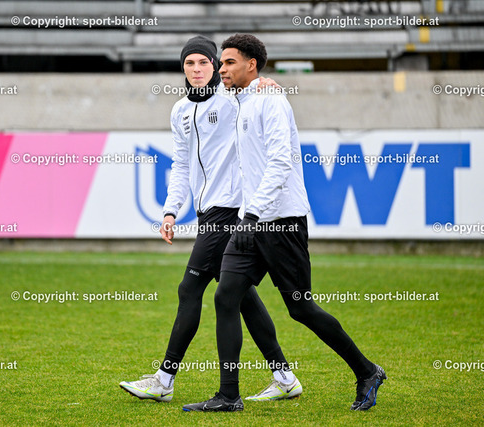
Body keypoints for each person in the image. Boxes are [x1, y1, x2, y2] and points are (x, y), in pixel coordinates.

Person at [182, 34, 386, 413]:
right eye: (220, 63)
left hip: (281, 223)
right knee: (226, 297)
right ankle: (228, 395)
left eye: (228, 62)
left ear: (251, 65)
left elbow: (280, 163)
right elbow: (203, 93)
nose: (220, 69)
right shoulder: (238, 97)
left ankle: (367, 370)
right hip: (251, 222)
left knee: (301, 308)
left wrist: (253, 214)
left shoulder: (271, 101)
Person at [120, 35, 302, 404]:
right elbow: (181, 164)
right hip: (206, 213)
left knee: (189, 289)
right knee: (240, 296)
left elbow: (256, 91)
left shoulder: (232, 98)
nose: (197, 69)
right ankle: (284, 376)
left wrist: (269, 84)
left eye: (204, 62)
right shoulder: (179, 110)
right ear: (183, 68)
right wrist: (171, 209)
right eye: (190, 63)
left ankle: (164, 380)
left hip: (231, 210)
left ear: (215, 65)